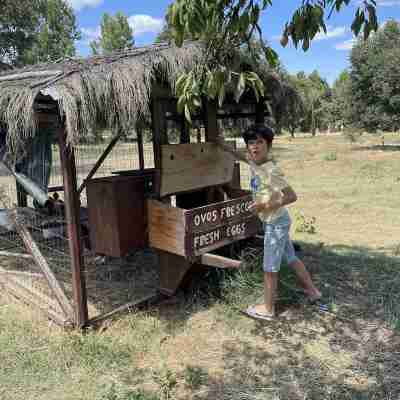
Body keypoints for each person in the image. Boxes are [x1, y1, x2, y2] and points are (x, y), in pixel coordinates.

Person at [216, 124, 322, 320]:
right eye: (251, 142)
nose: (255, 146)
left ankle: (268, 309)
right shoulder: (256, 163)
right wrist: (224, 146)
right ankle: (313, 292)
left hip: (276, 224)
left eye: (260, 142)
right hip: (277, 221)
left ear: (268, 145)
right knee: (291, 258)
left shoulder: (271, 170)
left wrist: (262, 206)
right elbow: (242, 156)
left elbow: (291, 196)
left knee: (269, 268)